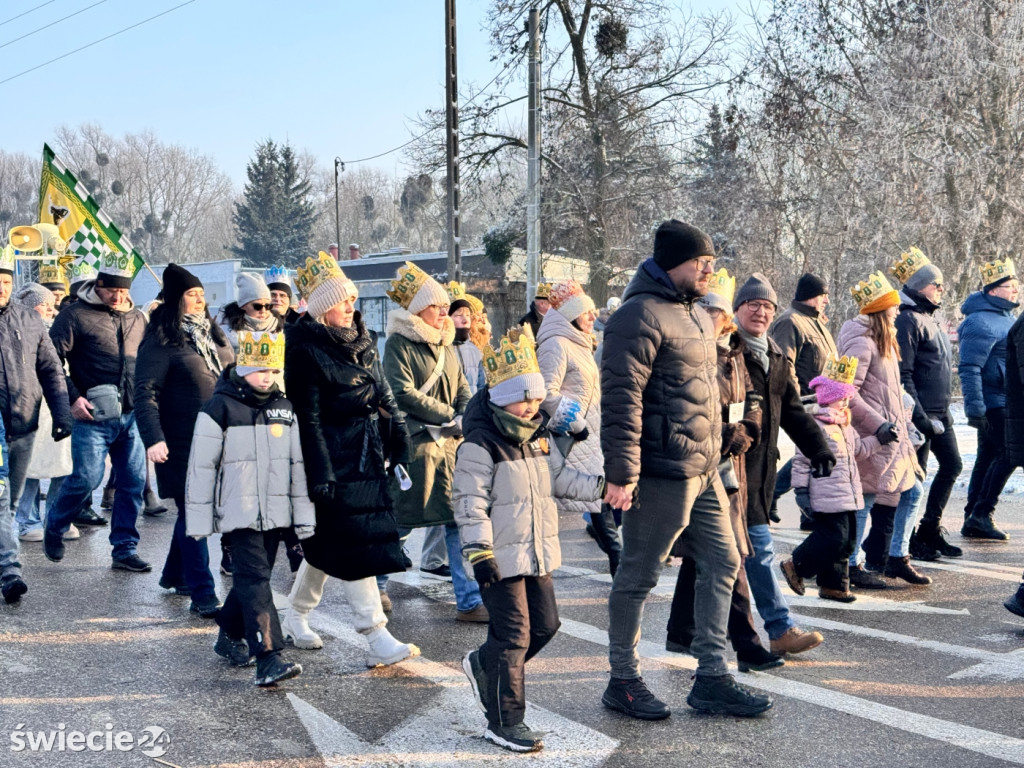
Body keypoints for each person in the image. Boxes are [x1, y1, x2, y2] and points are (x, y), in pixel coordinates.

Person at [600, 220, 771, 720]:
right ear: (674, 262)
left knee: (724, 563)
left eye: (711, 263)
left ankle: (712, 676)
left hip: (705, 469)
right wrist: (622, 472)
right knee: (637, 576)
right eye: (703, 263)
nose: (710, 270)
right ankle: (623, 679)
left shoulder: (695, 315)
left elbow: (706, 396)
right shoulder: (637, 315)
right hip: (658, 472)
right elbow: (620, 399)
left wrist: (723, 443)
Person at [456, 326, 604, 753]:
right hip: (498, 556)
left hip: (536, 552)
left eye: (537, 397)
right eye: (524, 398)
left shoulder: (538, 438)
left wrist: (601, 488)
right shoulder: (480, 444)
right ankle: (504, 720)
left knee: (546, 625)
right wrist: (479, 553)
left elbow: (556, 480)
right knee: (514, 635)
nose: (533, 406)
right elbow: (469, 503)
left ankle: (485, 665)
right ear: (501, 396)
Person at [281, 252, 419, 666]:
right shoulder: (303, 349)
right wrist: (320, 472)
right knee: (357, 544)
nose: (351, 307)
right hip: (333, 461)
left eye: (353, 299)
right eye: (343, 301)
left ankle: (295, 613)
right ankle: (375, 634)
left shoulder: (363, 340)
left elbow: (384, 394)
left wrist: (399, 440)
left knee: (328, 545)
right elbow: (309, 418)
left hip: (367, 454)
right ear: (323, 308)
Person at [666, 269, 782, 672]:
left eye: (718, 311)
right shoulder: (687, 350)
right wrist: (721, 432)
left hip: (732, 466)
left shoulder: (732, 353)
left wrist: (747, 428)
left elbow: (750, 398)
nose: (716, 318)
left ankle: (682, 632)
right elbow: (683, 407)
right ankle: (747, 645)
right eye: (709, 310)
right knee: (728, 554)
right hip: (701, 465)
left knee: (712, 554)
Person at [184, 331, 310, 686]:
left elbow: (297, 465)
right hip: (238, 513)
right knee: (255, 579)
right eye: (259, 370)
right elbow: (201, 467)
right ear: (242, 367)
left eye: (272, 371)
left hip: (275, 514)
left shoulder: (284, 409)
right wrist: (199, 520)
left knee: (255, 580)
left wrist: (303, 515)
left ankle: (228, 633)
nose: (266, 377)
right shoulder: (220, 407)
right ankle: (269, 657)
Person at [378, 261, 484, 621]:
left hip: (450, 448)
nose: (444, 314)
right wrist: (447, 414)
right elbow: (401, 392)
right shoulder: (398, 343)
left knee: (457, 521)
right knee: (402, 520)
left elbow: (465, 388)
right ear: (418, 309)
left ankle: (468, 600)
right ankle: (377, 588)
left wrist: (465, 415)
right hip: (416, 446)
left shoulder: (448, 346)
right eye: (437, 307)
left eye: (445, 308)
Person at [733, 273, 828, 654]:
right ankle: (775, 629)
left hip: (759, 471)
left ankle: (776, 630)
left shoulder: (774, 354)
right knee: (740, 552)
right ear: (738, 309)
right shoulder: (726, 350)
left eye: (767, 306)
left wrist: (817, 446)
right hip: (727, 468)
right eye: (752, 304)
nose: (760, 311)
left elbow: (792, 409)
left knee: (745, 552)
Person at [134, 264, 234, 616]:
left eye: (202, 295)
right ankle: (203, 593)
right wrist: (153, 438)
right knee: (196, 513)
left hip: (221, 436)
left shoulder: (214, 336)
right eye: (191, 295)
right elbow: (145, 392)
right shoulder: (162, 340)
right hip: (180, 440)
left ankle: (174, 573)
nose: (199, 301)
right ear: (175, 299)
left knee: (194, 512)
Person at [44, 252, 150, 572]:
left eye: (124, 291)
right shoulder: (75, 315)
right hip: (91, 417)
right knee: (86, 478)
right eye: (112, 291)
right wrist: (73, 398)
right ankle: (55, 525)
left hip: (131, 416)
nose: (118, 297)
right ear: (99, 285)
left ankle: (124, 548)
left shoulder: (138, 317)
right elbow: (49, 361)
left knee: (132, 483)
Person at [839, 272, 929, 587]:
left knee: (911, 490)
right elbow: (845, 391)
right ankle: (851, 564)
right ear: (882, 310)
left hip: (893, 436)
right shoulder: (862, 342)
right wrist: (879, 423)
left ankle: (896, 557)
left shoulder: (883, 339)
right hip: (872, 436)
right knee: (866, 497)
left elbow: (887, 387)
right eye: (893, 307)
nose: (897, 312)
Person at [537, 279, 620, 576]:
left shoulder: (579, 343)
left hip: (590, 436)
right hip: (573, 437)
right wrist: (576, 422)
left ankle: (618, 562)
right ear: (571, 314)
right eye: (585, 313)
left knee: (600, 502)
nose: (592, 317)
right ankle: (619, 565)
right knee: (598, 502)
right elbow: (546, 393)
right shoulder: (556, 345)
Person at [782, 355, 878, 603]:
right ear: (828, 397)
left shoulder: (845, 425)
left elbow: (859, 450)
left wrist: (881, 438)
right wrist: (801, 491)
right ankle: (797, 564)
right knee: (834, 539)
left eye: (848, 397)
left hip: (848, 492)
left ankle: (834, 585)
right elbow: (802, 460)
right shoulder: (816, 425)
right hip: (824, 493)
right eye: (841, 397)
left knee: (847, 543)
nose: (846, 402)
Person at [889, 248, 963, 559]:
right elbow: (904, 375)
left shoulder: (929, 318)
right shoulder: (907, 320)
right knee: (913, 480)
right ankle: (904, 545)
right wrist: (918, 417)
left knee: (952, 465)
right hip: (918, 416)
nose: (941, 290)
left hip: (940, 413)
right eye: (937, 284)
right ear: (920, 285)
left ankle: (929, 529)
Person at [959, 258, 1020, 540]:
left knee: (988, 456)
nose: (1016, 290)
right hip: (993, 402)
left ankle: (974, 514)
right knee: (1009, 455)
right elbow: (969, 368)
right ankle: (982, 513)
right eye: (1010, 286)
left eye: (1017, 284)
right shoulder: (979, 321)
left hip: (1006, 399)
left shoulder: (1007, 318)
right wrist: (976, 409)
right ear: (993, 291)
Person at [769, 272, 836, 525]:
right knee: (810, 452)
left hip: (825, 402)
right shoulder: (790, 322)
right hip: (805, 403)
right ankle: (778, 493)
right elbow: (784, 364)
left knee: (813, 453)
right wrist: (796, 403)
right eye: (823, 295)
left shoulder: (817, 323)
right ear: (811, 295)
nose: (826, 300)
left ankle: (801, 507)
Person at [11, 284, 76, 544]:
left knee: (64, 464)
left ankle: (55, 518)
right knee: (30, 466)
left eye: (51, 304)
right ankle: (27, 520)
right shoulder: (15, 330)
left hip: (57, 406)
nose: (50, 308)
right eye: (43, 304)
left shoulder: (58, 331)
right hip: (28, 407)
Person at [218, 272, 284, 353]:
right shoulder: (225, 333)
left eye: (268, 306)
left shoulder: (279, 329)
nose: (263, 311)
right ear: (243, 306)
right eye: (257, 306)